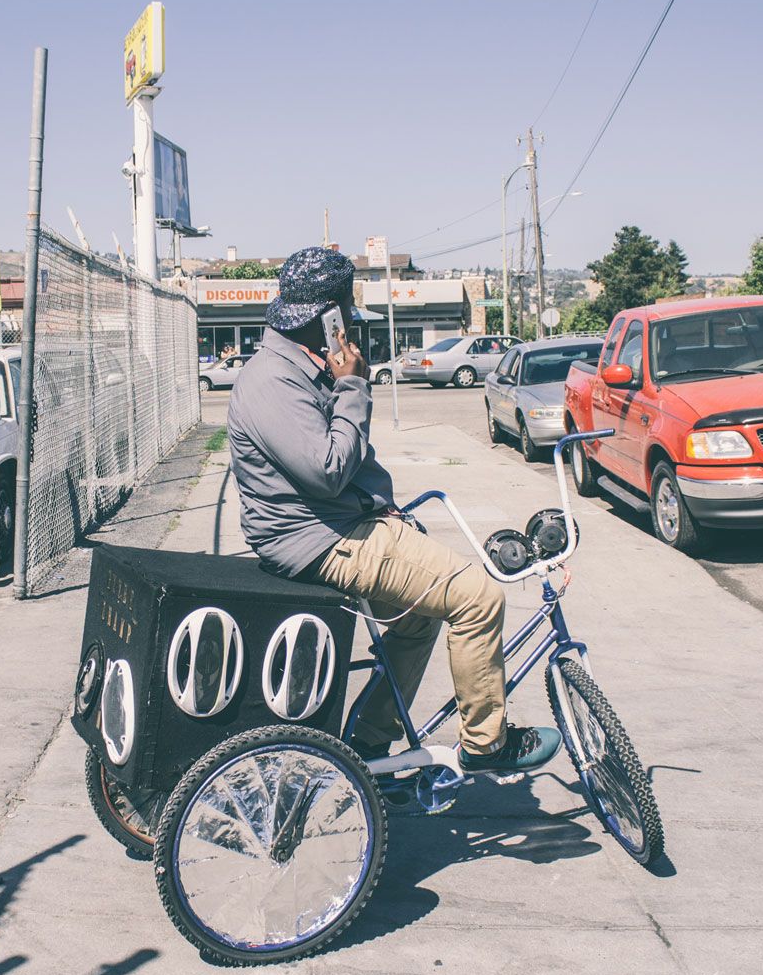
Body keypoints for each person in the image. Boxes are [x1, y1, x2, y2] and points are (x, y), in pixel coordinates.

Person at [227, 246, 561, 775]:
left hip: (337, 523)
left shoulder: (301, 368)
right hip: (319, 538)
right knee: (478, 598)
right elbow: (329, 468)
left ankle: (368, 747)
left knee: (417, 622)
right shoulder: (272, 379)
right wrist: (354, 384)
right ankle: (486, 745)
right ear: (328, 315)